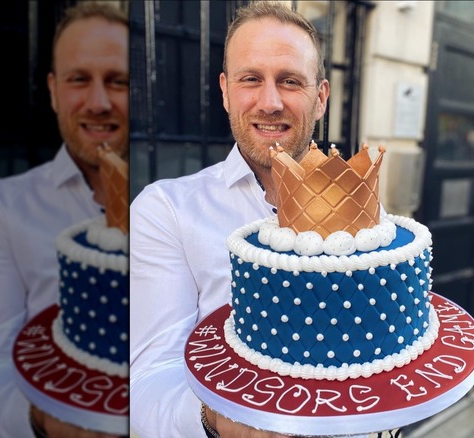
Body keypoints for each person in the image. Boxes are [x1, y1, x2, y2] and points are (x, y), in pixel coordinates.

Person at [129, 2, 333, 437]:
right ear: (225, 91)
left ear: (320, 98)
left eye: (291, 81)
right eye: (251, 79)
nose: (270, 102)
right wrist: (222, 419)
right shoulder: (166, 211)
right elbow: (146, 387)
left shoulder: (364, 218)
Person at [0, 3, 129, 437]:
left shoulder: (171, 199)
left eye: (118, 82)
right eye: (78, 80)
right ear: (53, 91)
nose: (99, 102)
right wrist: (50, 420)